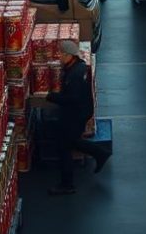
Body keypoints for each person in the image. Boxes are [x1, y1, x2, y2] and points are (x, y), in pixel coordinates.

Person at [46, 39, 111, 195]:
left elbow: (72, 98)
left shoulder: (75, 74)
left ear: (70, 55)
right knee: (72, 141)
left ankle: (67, 184)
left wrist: (51, 96)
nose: (59, 56)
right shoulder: (76, 68)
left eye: (61, 53)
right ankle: (100, 153)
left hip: (76, 114)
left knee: (64, 147)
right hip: (79, 112)